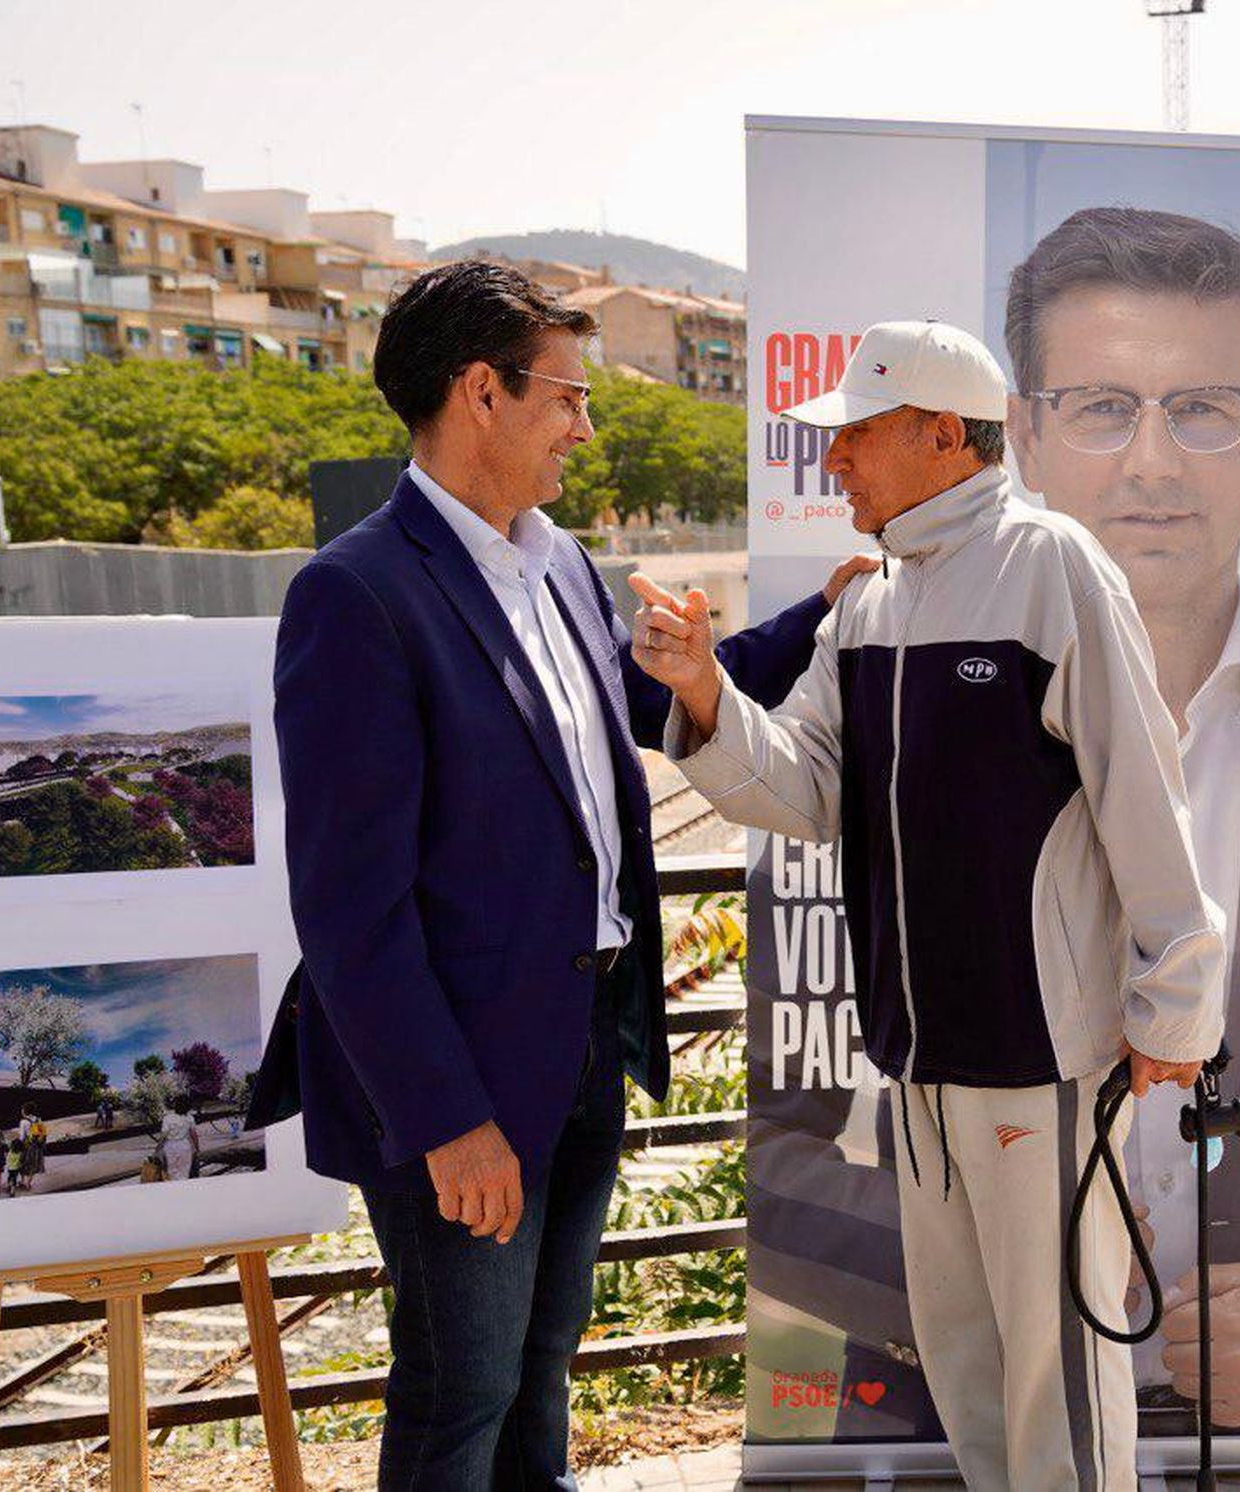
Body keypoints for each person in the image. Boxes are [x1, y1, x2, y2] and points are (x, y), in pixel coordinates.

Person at [271, 259, 870, 1489]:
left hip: (582, 1036)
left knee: (540, 1362)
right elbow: (348, 908)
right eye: (568, 397)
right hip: (467, 1078)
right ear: (480, 392)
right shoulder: (356, 595)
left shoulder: (556, 566)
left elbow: (645, 696)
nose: (587, 428)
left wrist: (815, 614)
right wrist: (445, 1120)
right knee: (461, 1388)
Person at [632, 320, 1225, 1491]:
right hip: (915, 1060)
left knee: (1055, 1364)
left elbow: (1144, 791)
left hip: (1038, 1052)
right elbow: (799, 787)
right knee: (965, 1358)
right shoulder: (869, 603)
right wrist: (701, 688)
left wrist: (1175, 1005)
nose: (834, 464)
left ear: (942, 433)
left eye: (854, 437)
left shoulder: (1050, 565)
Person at [1004, 205, 1240, 1429]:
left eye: (1203, 408)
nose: (1154, 465)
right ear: (1021, 437)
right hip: (1011, 1370)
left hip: (1219, 1390)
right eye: (1102, 408)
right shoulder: (938, 711)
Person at [159, 1094, 199, 1181]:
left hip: (170, 1146)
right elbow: (194, 1135)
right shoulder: (190, 1118)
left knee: (171, 1171)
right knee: (184, 1171)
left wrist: (158, 1149)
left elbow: (163, 1136)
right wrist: (196, 1148)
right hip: (184, 1145)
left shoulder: (167, 1118)